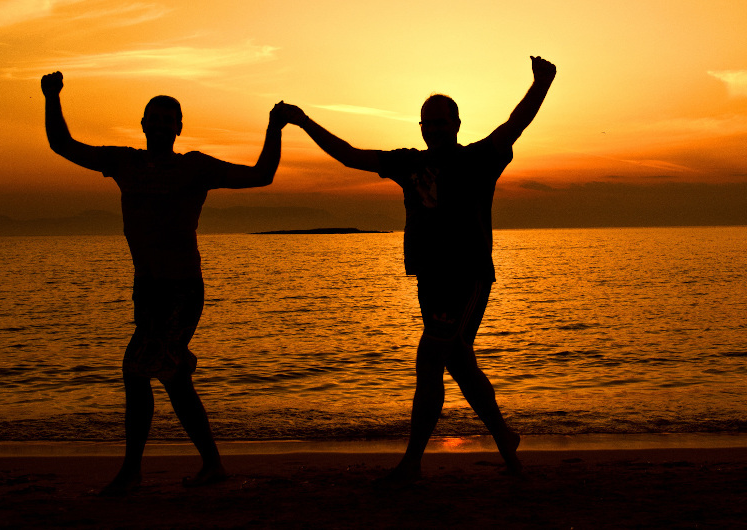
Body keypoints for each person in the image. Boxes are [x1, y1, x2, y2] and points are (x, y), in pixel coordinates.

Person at [278, 56, 556, 481]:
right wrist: (302, 121)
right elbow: (350, 156)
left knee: (430, 360)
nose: (434, 129)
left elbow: (515, 124)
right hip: (429, 279)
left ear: (457, 124)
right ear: (421, 129)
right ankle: (505, 438)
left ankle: (411, 462)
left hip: (467, 277)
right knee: (459, 363)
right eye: (427, 123)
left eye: (441, 122)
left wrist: (541, 83)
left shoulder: (478, 159)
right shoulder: (408, 163)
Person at [41, 71, 287, 495]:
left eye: (165, 119)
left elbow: (261, 174)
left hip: (182, 290)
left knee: (139, 369)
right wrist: (51, 97)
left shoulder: (195, 167)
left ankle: (136, 471)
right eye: (151, 118)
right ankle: (208, 465)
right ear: (142, 125)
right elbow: (63, 146)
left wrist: (273, 128)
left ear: (178, 127)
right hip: (148, 290)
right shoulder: (125, 162)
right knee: (168, 376)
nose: (157, 125)